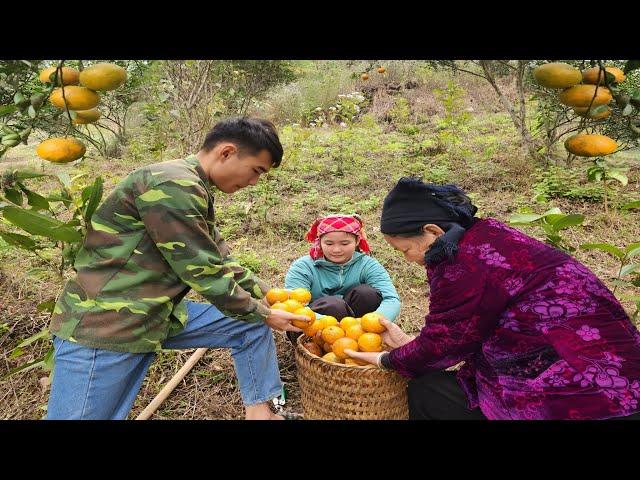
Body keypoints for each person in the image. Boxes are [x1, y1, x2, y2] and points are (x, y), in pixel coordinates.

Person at [46, 117, 311, 420]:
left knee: (247, 324)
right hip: (107, 323)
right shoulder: (173, 184)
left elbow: (221, 259)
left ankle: (261, 413)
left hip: (152, 314)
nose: (254, 182)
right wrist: (266, 313)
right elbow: (202, 271)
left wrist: (271, 295)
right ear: (226, 152)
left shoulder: (193, 186)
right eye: (256, 171)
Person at [346, 176, 640, 420]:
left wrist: (388, 359)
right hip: (625, 374)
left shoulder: (463, 264)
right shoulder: (489, 234)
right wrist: (416, 348)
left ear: (432, 231)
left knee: (428, 393)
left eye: (405, 249)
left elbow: (445, 343)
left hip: (582, 394)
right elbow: (459, 330)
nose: (409, 259)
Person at [284, 214, 401, 344]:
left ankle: (363, 343)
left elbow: (391, 299)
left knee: (367, 294)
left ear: (357, 241)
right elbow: (293, 306)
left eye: (345, 243)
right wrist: (338, 326)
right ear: (319, 241)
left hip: (359, 334)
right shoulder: (304, 267)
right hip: (312, 329)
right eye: (329, 243)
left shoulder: (367, 265)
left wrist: (368, 323)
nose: (336, 249)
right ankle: (317, 347)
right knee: (335, 306)